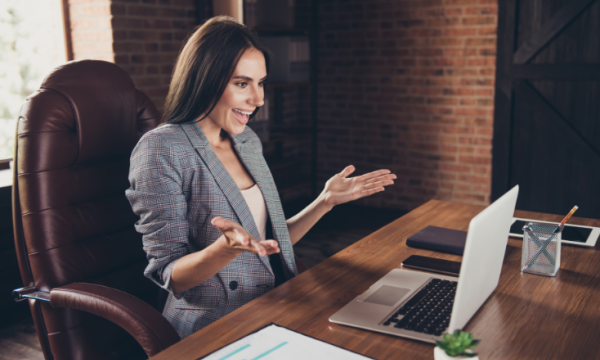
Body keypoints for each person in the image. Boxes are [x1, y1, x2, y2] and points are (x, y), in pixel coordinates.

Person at [126, 16, 396, 339]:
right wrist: (225, 250)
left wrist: (325, 202)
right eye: (242, 84)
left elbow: (270, 245)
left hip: (276, 302)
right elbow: (171, 275)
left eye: (261, 82)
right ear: (206, 79)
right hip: (214, 326)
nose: (259, 99)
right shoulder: (161, 148)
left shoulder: (246, 141)